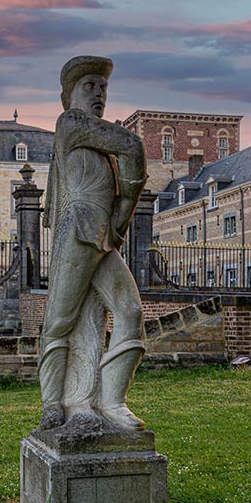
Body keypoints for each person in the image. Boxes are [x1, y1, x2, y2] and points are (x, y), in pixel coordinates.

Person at [39, 55, 147, 432]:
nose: (99, 93)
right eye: (90, 86)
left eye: (103, 88)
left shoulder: (98, 137)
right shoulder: (72, 123)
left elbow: (131, 155)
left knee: (129, 310)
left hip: (101, 235)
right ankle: (56, 403)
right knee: (61, 319)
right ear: (69, 94)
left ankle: (112, 403)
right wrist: (122, 214)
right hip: (80, 228)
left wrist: (118, 220)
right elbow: (133, 146)